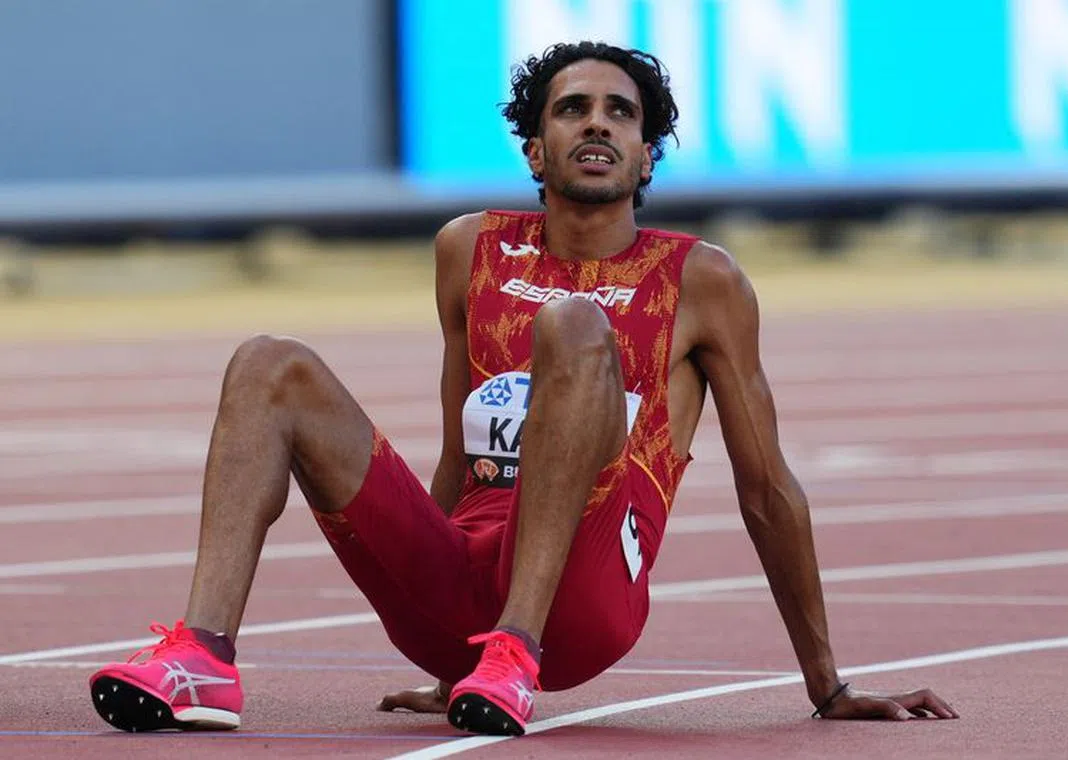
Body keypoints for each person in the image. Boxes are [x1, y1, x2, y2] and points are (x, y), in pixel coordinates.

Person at [88, 41, 958, 737]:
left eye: (622, 113)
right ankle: (202, 653)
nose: (599, 124)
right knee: (269, 362)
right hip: (458, 601)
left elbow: (766, 486)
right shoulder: (469, 249)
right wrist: (444, 664)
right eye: (573, 108)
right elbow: (458, 456)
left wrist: (827, 683)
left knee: (573, 325)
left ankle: (515, 647)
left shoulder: (702, 280)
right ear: (536, 148)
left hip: (583, 608)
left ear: (646, 155)